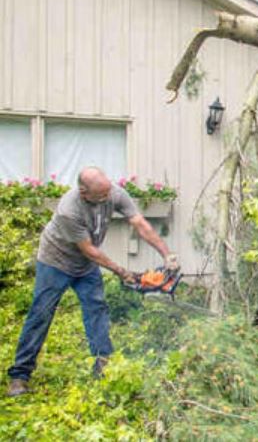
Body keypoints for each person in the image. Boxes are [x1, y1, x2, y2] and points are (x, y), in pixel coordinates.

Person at [6, 166, 178, 397]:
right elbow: (89, 250)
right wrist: (121, 271)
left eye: (108, 192)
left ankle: (103, 366)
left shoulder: (113, 192)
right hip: (55, 262)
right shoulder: (70, 209)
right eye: (102, 196)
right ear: (84, 192)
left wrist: (166, 254)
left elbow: (140, 224)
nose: (108, 198)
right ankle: (19, 376)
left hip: (85, 265)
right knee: (41, 314)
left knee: (97, 309)